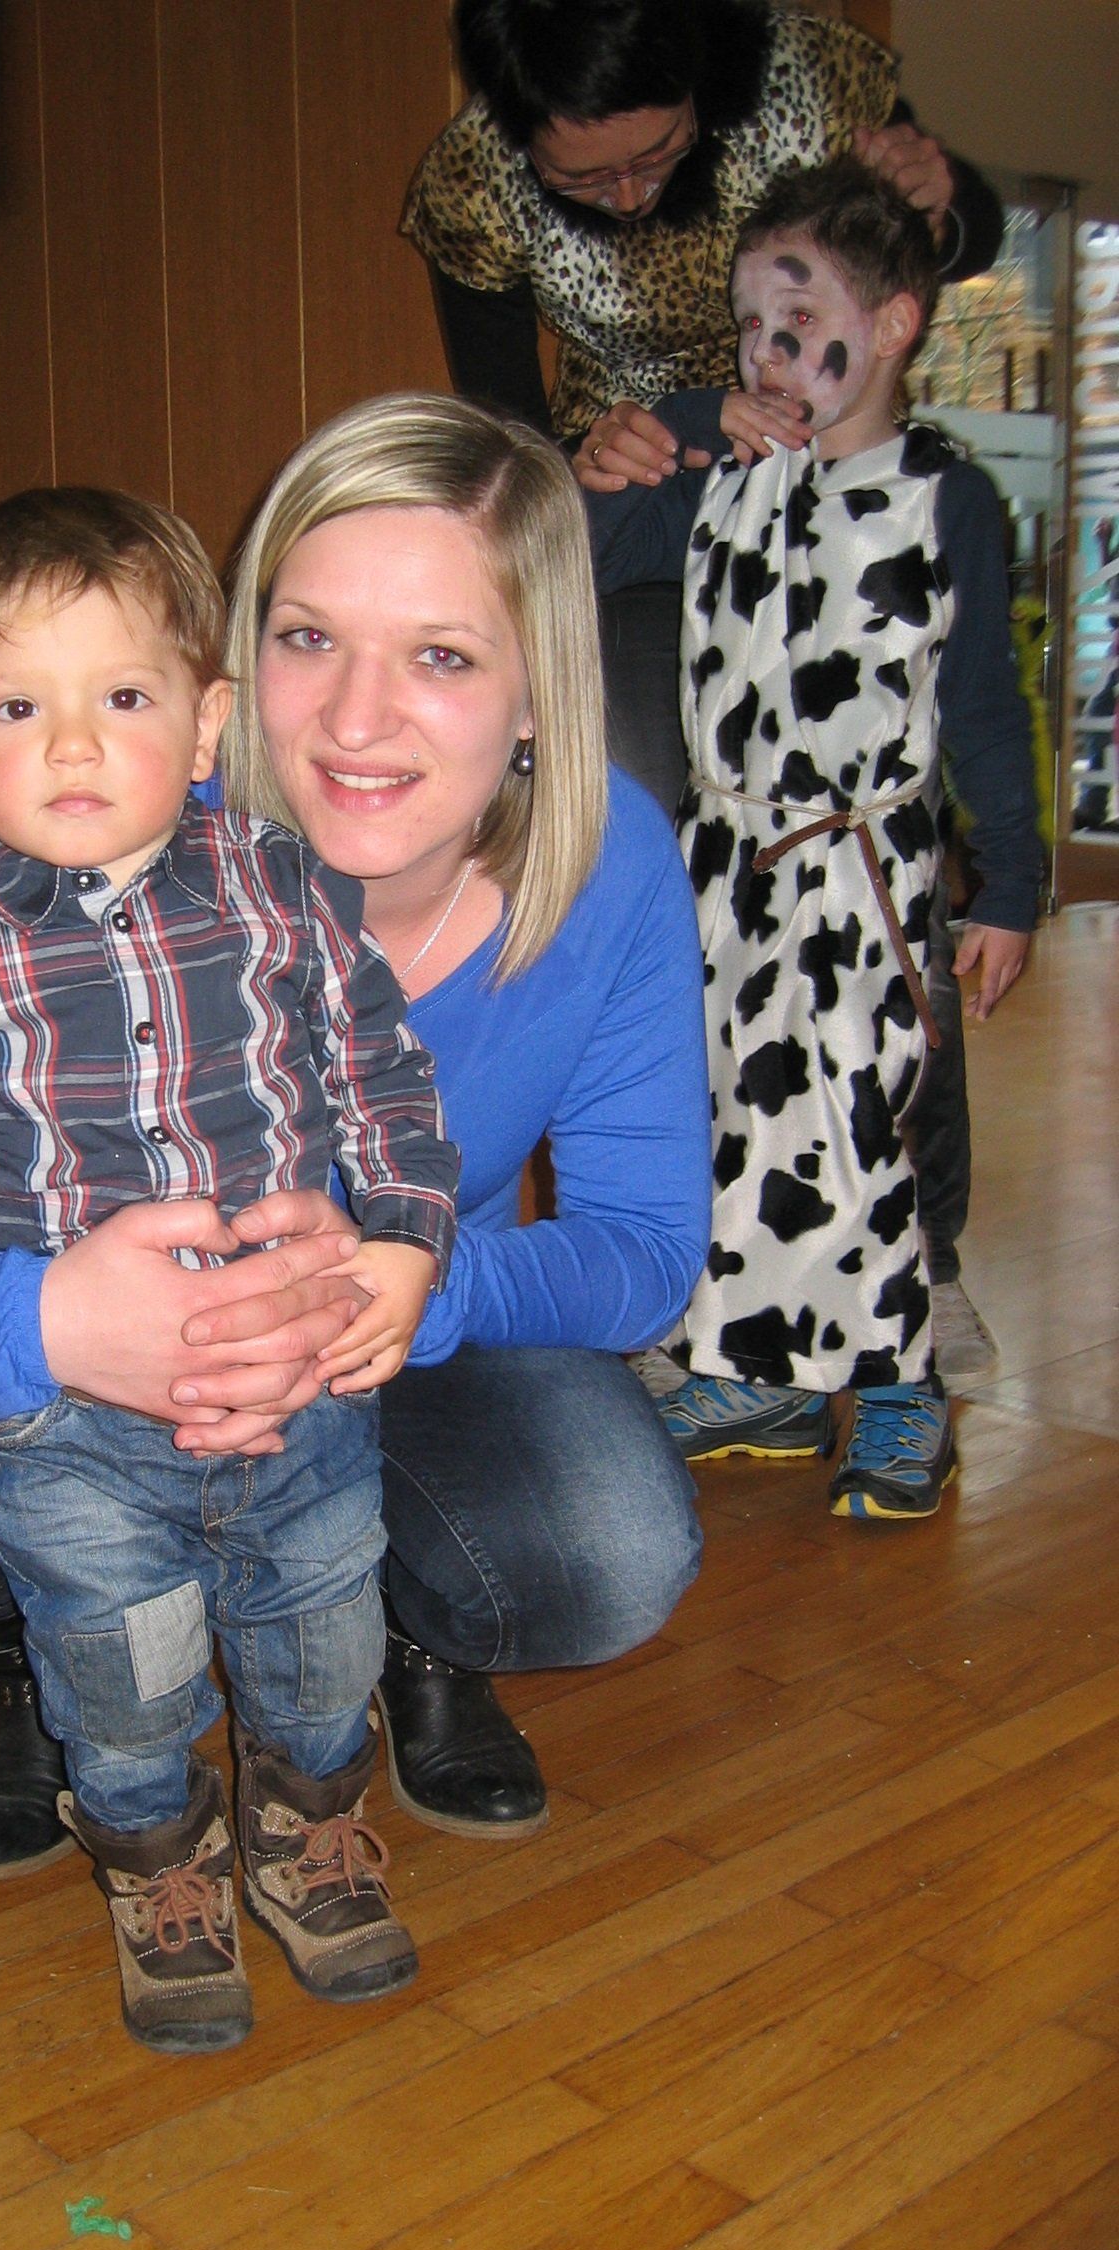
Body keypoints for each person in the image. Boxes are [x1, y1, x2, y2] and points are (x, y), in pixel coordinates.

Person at [0, 393, 708, 1963]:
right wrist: (53, 1320)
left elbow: (645, 1250)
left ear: (539, 693)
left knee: (607, 1543)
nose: (357, 721)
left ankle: (398, 1650)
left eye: (442, 657)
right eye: (312, 640)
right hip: (86, 1385)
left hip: (390, 1336)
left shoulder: (613, 862)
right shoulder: (105, 819)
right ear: (235, 675)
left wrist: (393, 1284)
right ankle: (56, 1664)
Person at [0, 486, 463, 2053]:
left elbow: (385, 1080)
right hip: (70, 1431)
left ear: (209, 725)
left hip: (300, 1389)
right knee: (121, 1663)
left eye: (124, 699)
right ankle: (159, 1865)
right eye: (20, 707)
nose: (73, 746)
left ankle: (309, 1830)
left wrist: (408, 1239)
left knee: (324, 1634)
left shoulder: (287, 891)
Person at [403, 0, 1008, 1383]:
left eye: (655, 156)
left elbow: (937, 240)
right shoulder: (473, 185)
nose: (627, 198)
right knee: (636, 847)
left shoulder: (810, 77)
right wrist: (593, 452)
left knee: (868, 880)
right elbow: (505, 436)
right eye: (585, 178)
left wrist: (954, 196)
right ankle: (694, 1254)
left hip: (827, 492)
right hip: (650, 500)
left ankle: (923, 1251)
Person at [584, 158, 1040, 1518]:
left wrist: (1011, 883)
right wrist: (667, 431)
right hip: (725, 867)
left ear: (893, 325)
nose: (765, 355)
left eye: (798, 322)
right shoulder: (725, 477)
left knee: (854, 1125)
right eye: (747, 328)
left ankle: (903, 1383)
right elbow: (584, 552)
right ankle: (761, 1372)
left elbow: (986, 710)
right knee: (734, 1120)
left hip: (859, 873)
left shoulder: (943, 499)